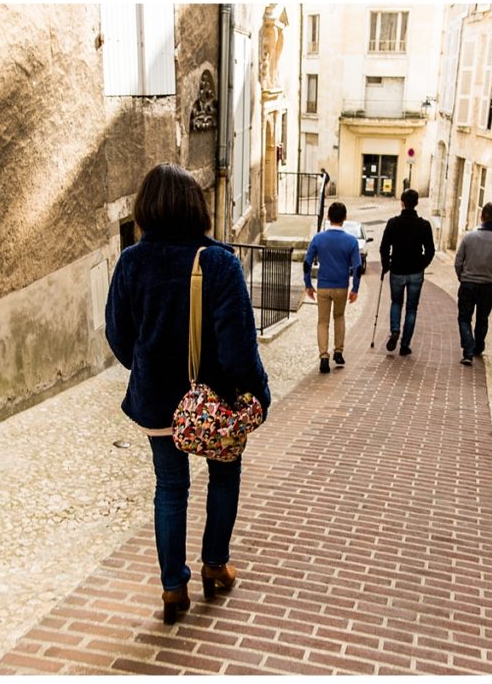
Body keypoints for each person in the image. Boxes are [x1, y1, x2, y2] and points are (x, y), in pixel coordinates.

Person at [105, 163, 271, 624]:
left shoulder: (132, 261)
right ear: (194, 207)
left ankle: (173, 588)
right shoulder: (219, 263)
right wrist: (258, 393)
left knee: (170, 487)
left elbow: (117, 334)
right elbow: (239, 347)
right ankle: (214, 564)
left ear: (147, 208)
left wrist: (148, 368)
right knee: (224, 474)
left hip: (157, 400)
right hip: (214, 399)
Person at [303, 201, 361, 374]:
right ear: (344, 218)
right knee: (339, 317)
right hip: (341, 286)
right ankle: (338, 352)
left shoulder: (319, 238)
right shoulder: (351, 241)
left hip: (323, 286)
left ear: (327, 217)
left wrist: (308, 284)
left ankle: (323, 356)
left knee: (322, 321)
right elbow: (357, 267)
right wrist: (355, 288)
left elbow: (307, 262)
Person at [379, 189, 435, 356]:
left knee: (396, 303)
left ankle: (394, 330)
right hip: (415, 272)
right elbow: (430, 250)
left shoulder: (393, 223)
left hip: (397, 269)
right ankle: (405, 344)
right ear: (416, 203)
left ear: (401, 203)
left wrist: (386, 264)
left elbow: (384, 247)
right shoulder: (424, 225)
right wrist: (422, 265)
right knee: (412, 308)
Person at [454, 202, 492, 366]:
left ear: (481, 216)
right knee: (482, 318)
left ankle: (468, 350)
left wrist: (462, 277)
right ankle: (478, 346)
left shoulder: (469, 237)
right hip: (488, 285)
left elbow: (458, 262)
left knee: (464, 317)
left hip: (468, 283)